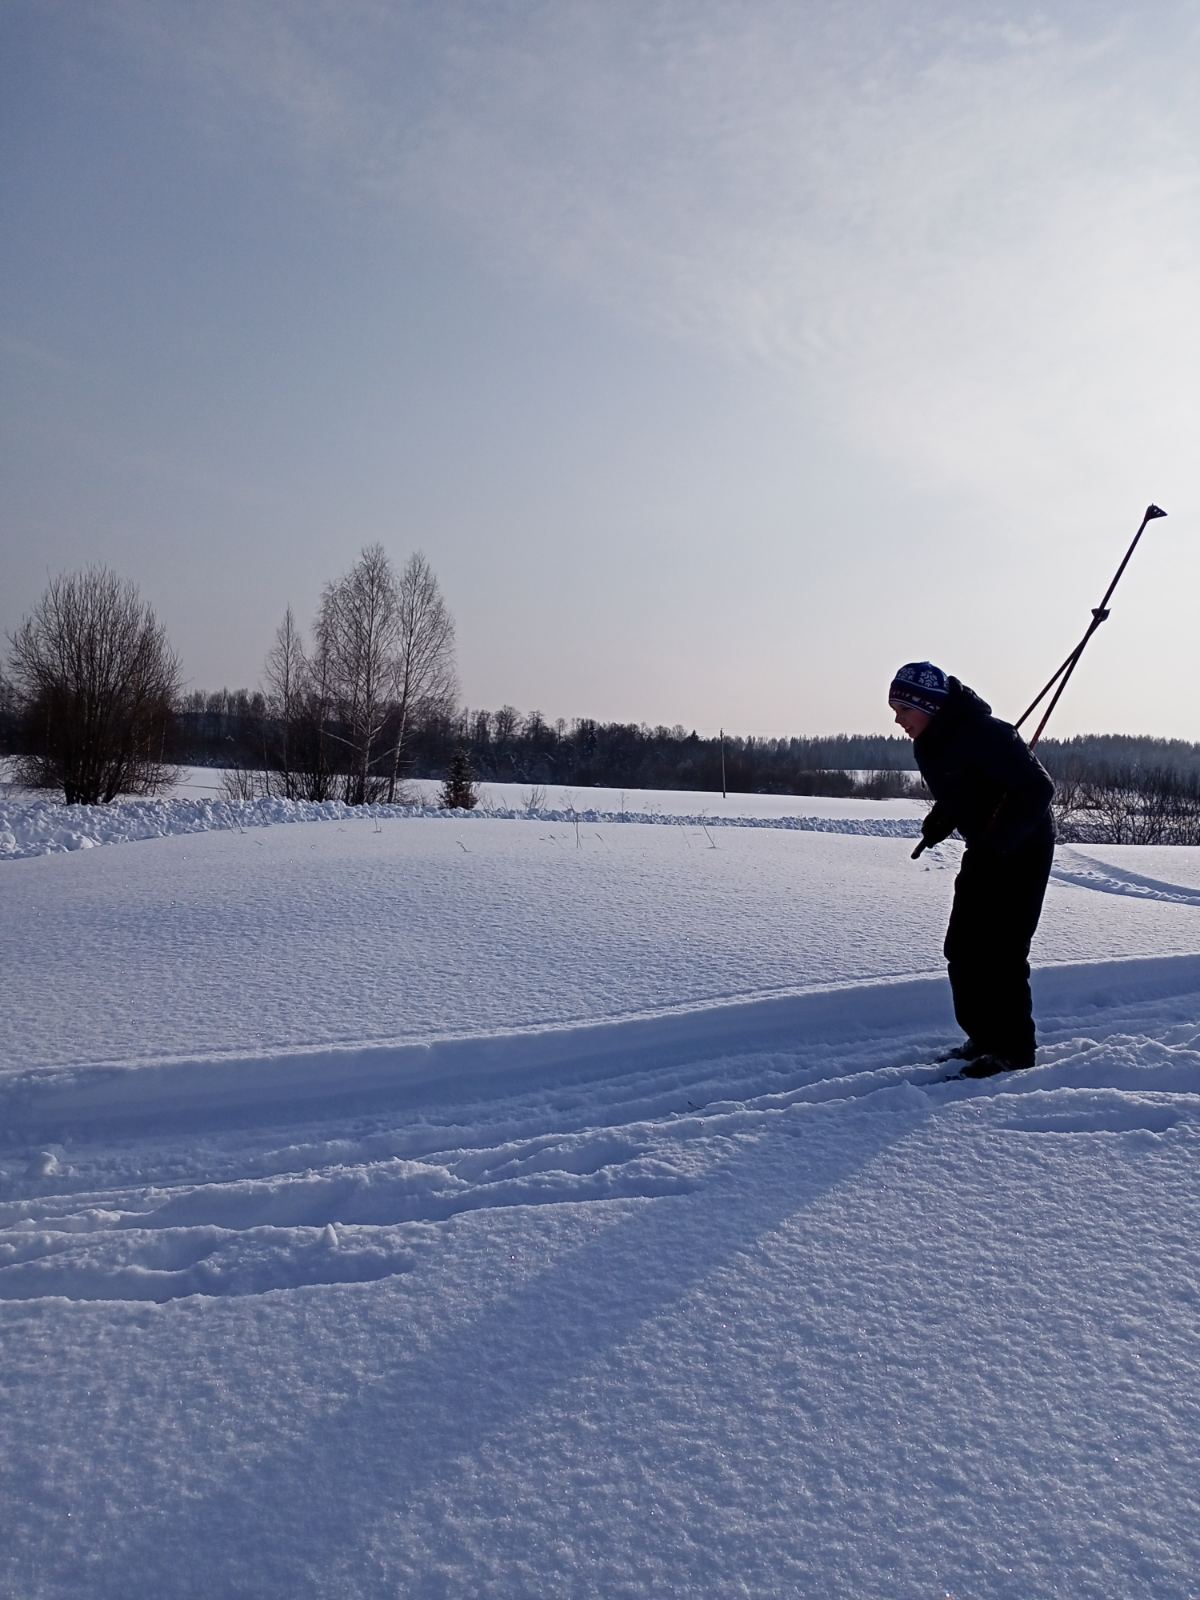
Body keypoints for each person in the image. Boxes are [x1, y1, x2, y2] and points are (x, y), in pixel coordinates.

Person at [889, 661, 1055, 1077]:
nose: (897, 720)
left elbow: (1038, 789)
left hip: (1023, 848)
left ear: (927, 706)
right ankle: (984, 1037)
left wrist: (1001, 841)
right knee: (963, 947)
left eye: (903, 709)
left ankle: (1013, 1051)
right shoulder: (932, 742)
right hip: (986, 847)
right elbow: (967, 784)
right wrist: (943, 818)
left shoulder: (988, 734)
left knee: (1002, 951)